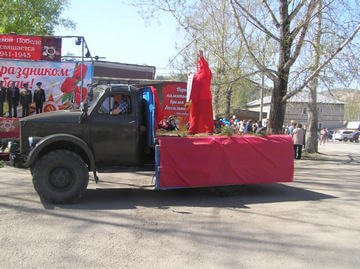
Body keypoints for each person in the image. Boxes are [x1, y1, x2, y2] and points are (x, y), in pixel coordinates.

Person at [187, 50, 214, 134]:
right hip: (195, 98)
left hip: (205, 97)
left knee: (207, 115)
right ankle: (192, 130)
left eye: (200, 64)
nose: (198, 66)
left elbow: (205, 66)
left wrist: (201, 58)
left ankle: (209, 130)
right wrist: (190, 76)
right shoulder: (196, 75)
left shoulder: (207, 72)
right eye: (197, 65)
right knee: (194, 115)